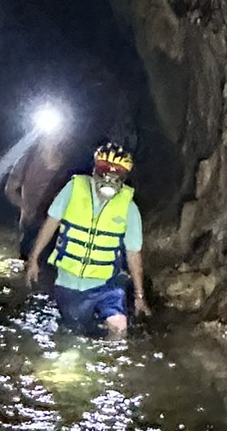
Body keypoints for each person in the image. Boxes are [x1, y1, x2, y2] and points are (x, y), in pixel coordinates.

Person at [26, 141, 147, 335]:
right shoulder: (73, 189)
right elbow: (51, 223)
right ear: (95, 170)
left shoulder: (128, 208)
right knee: (74, 333)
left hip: (105, 283)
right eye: (105, 170)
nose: (110, 177)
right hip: (69, 282)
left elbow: (133, 252)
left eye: (118, 173)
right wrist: (33, 260)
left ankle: (112, 361)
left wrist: (139, 295)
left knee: (118, 326)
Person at [4, 123, 75, 258]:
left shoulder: (67, 163)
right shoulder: (27, 160)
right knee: (29, 266)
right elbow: (10, 189)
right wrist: (26, 207)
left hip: (58, 228)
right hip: (31, 226)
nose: (53, 138)